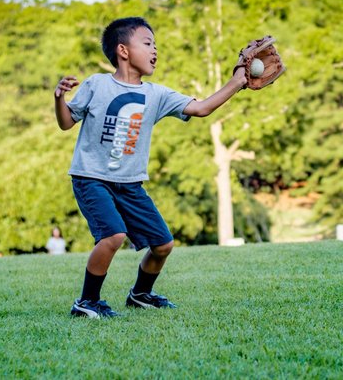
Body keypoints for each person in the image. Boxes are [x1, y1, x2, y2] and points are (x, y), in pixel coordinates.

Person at [54, 17, 248, 318]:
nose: (155, 50)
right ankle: (86, 302)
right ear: (123, 50)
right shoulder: (97, 84)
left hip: (130, 184)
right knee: (113, 236)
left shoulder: (157, 94)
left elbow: (202, 108)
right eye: (148, 43)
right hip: (91, 178)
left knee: (162, 244)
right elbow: (67, 123)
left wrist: (238, 82)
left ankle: (141, 295)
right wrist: (59, 99)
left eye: (156, 45)